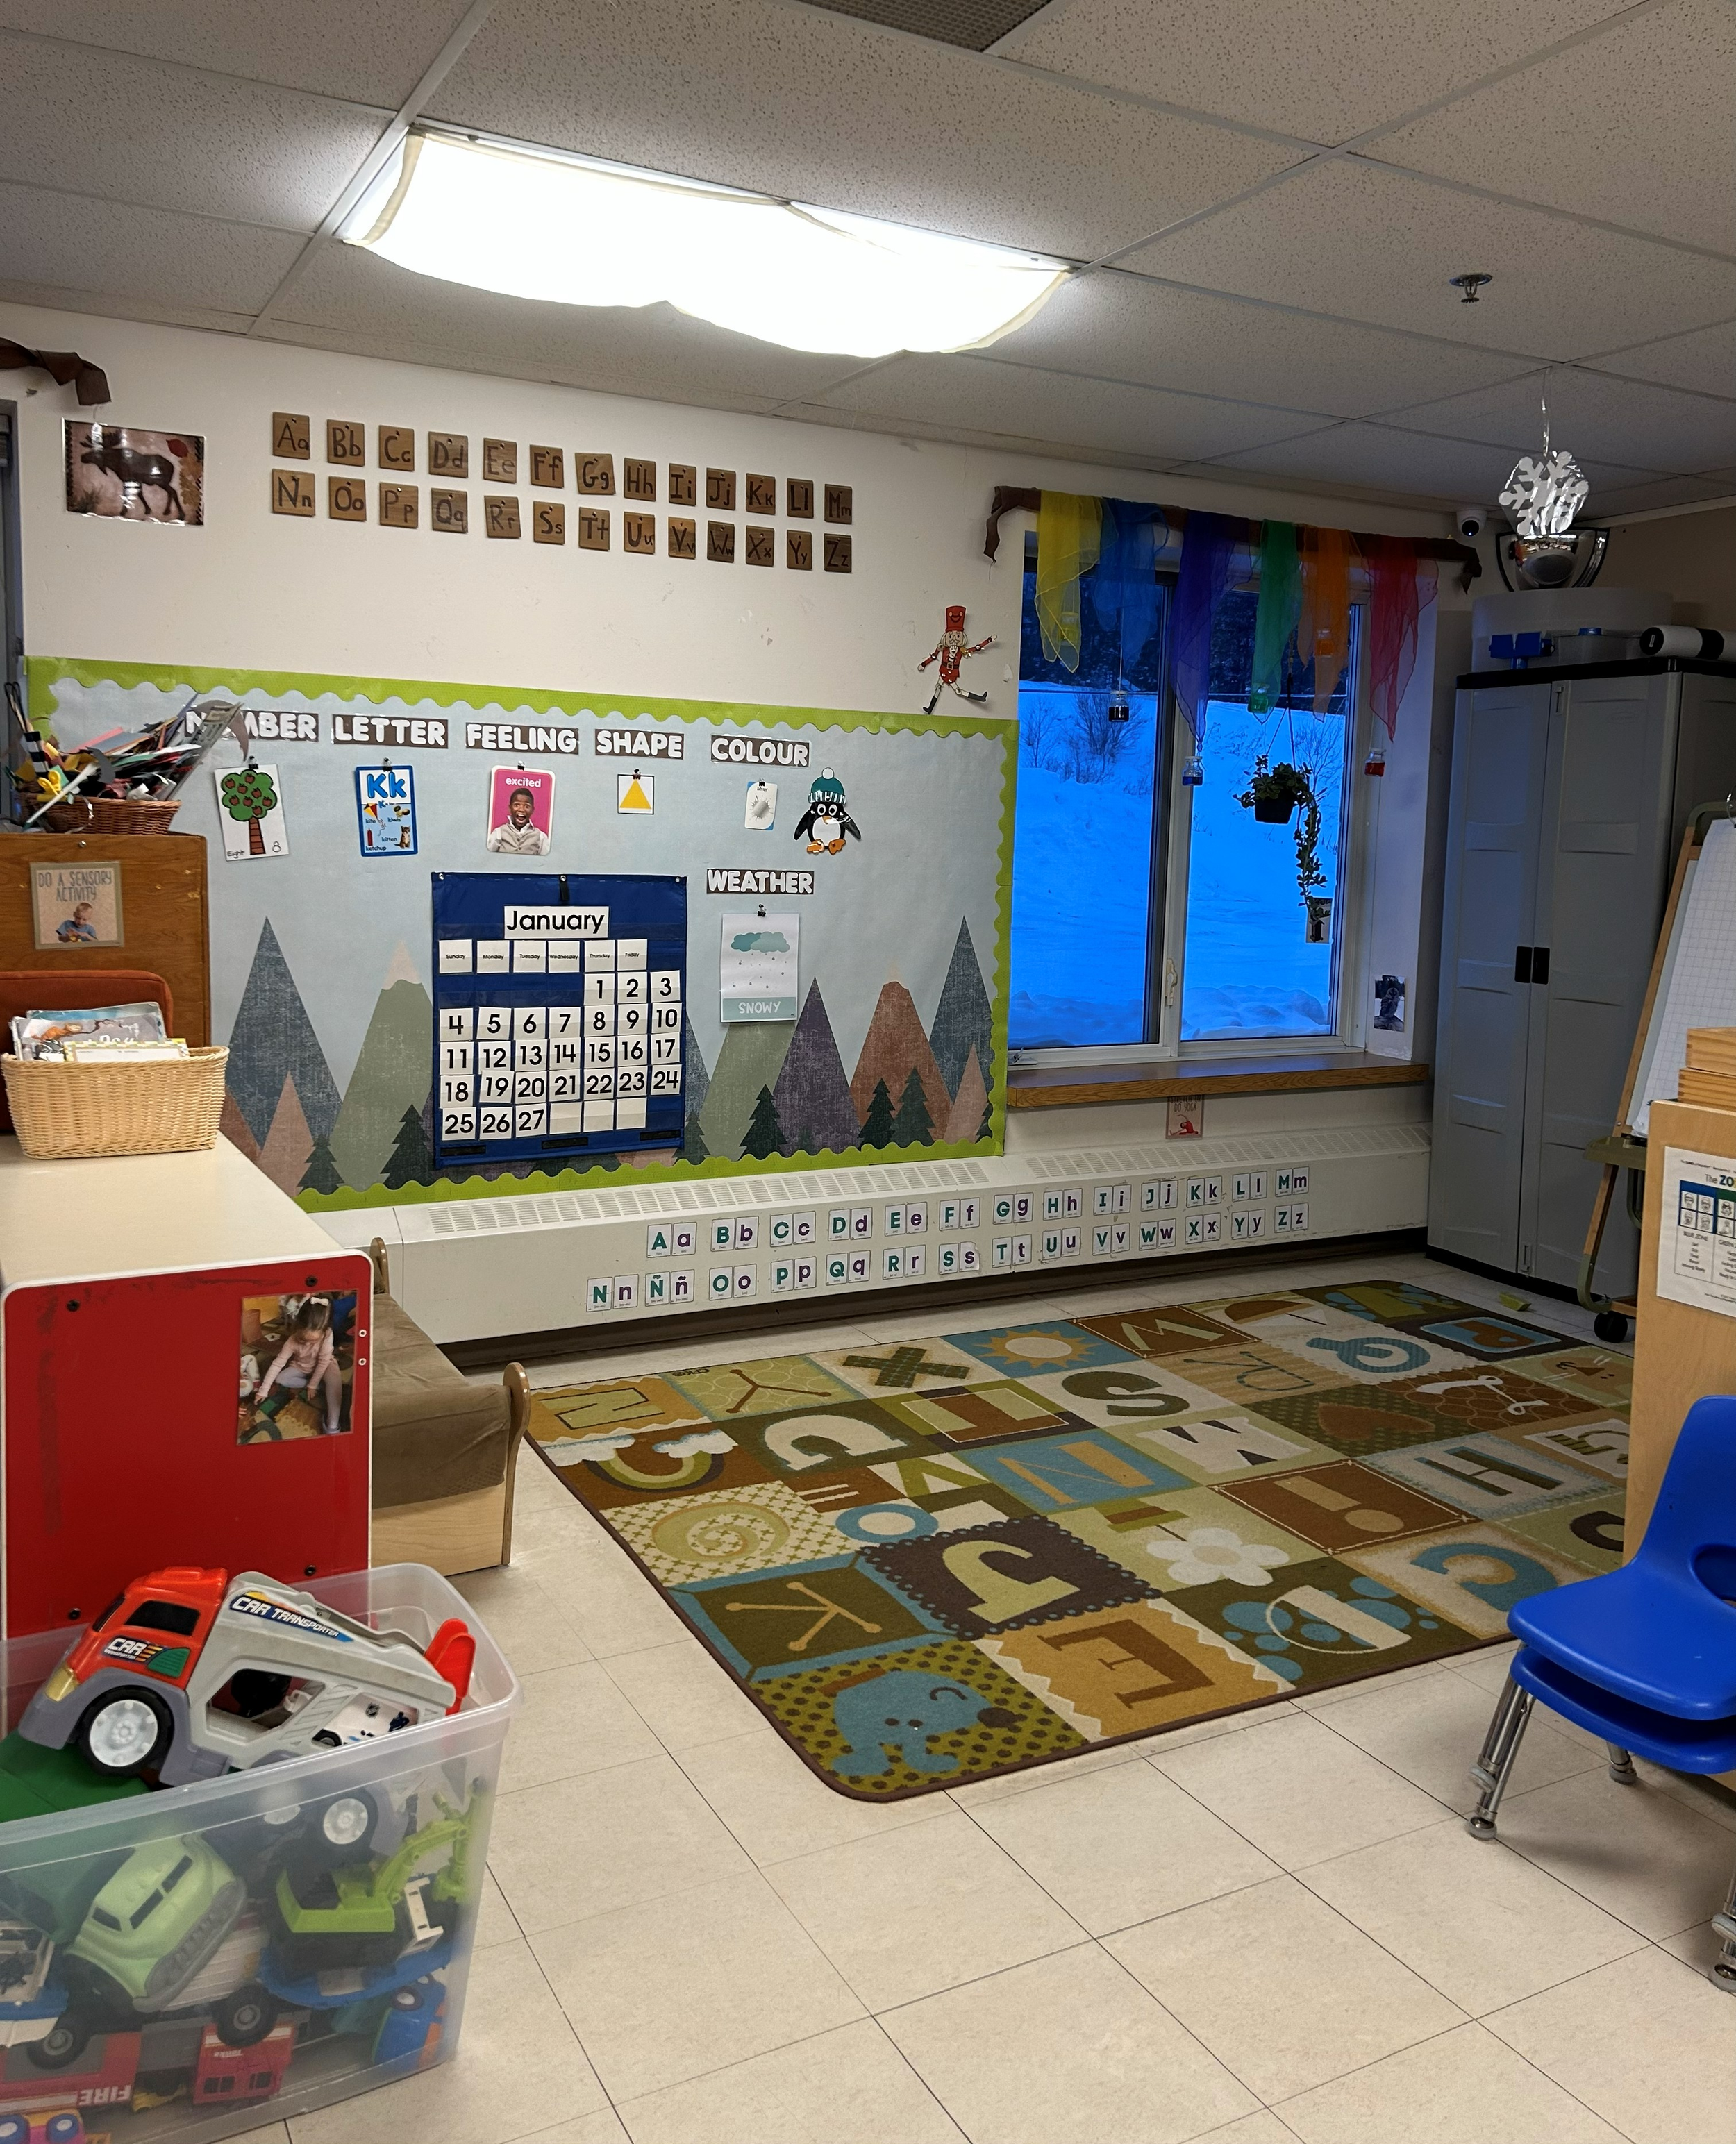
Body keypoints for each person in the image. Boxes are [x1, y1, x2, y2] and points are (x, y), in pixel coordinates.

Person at [255, 1296, 344, 1434]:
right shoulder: (291, 1341)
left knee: (336, 1384)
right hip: (301, 1366)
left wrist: (312, 1384)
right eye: (303, 1340)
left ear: (325, 1331)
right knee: (281, 1379)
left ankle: (333, 1425)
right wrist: (263, 1390)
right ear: (298, 1327)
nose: (307, 1344)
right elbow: (277, 1364)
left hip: (325, 1365)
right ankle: (321, 1386)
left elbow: (323, 1362)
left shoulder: (328, 1335)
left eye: (313, 1342)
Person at [487, 785, 549, 855]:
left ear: (532, 810)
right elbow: (487, 857)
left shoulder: (541, 837)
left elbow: (546, 860)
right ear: (510, 808)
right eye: (516, 805)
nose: (521, 810)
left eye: (527, 806)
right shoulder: (498, 833)